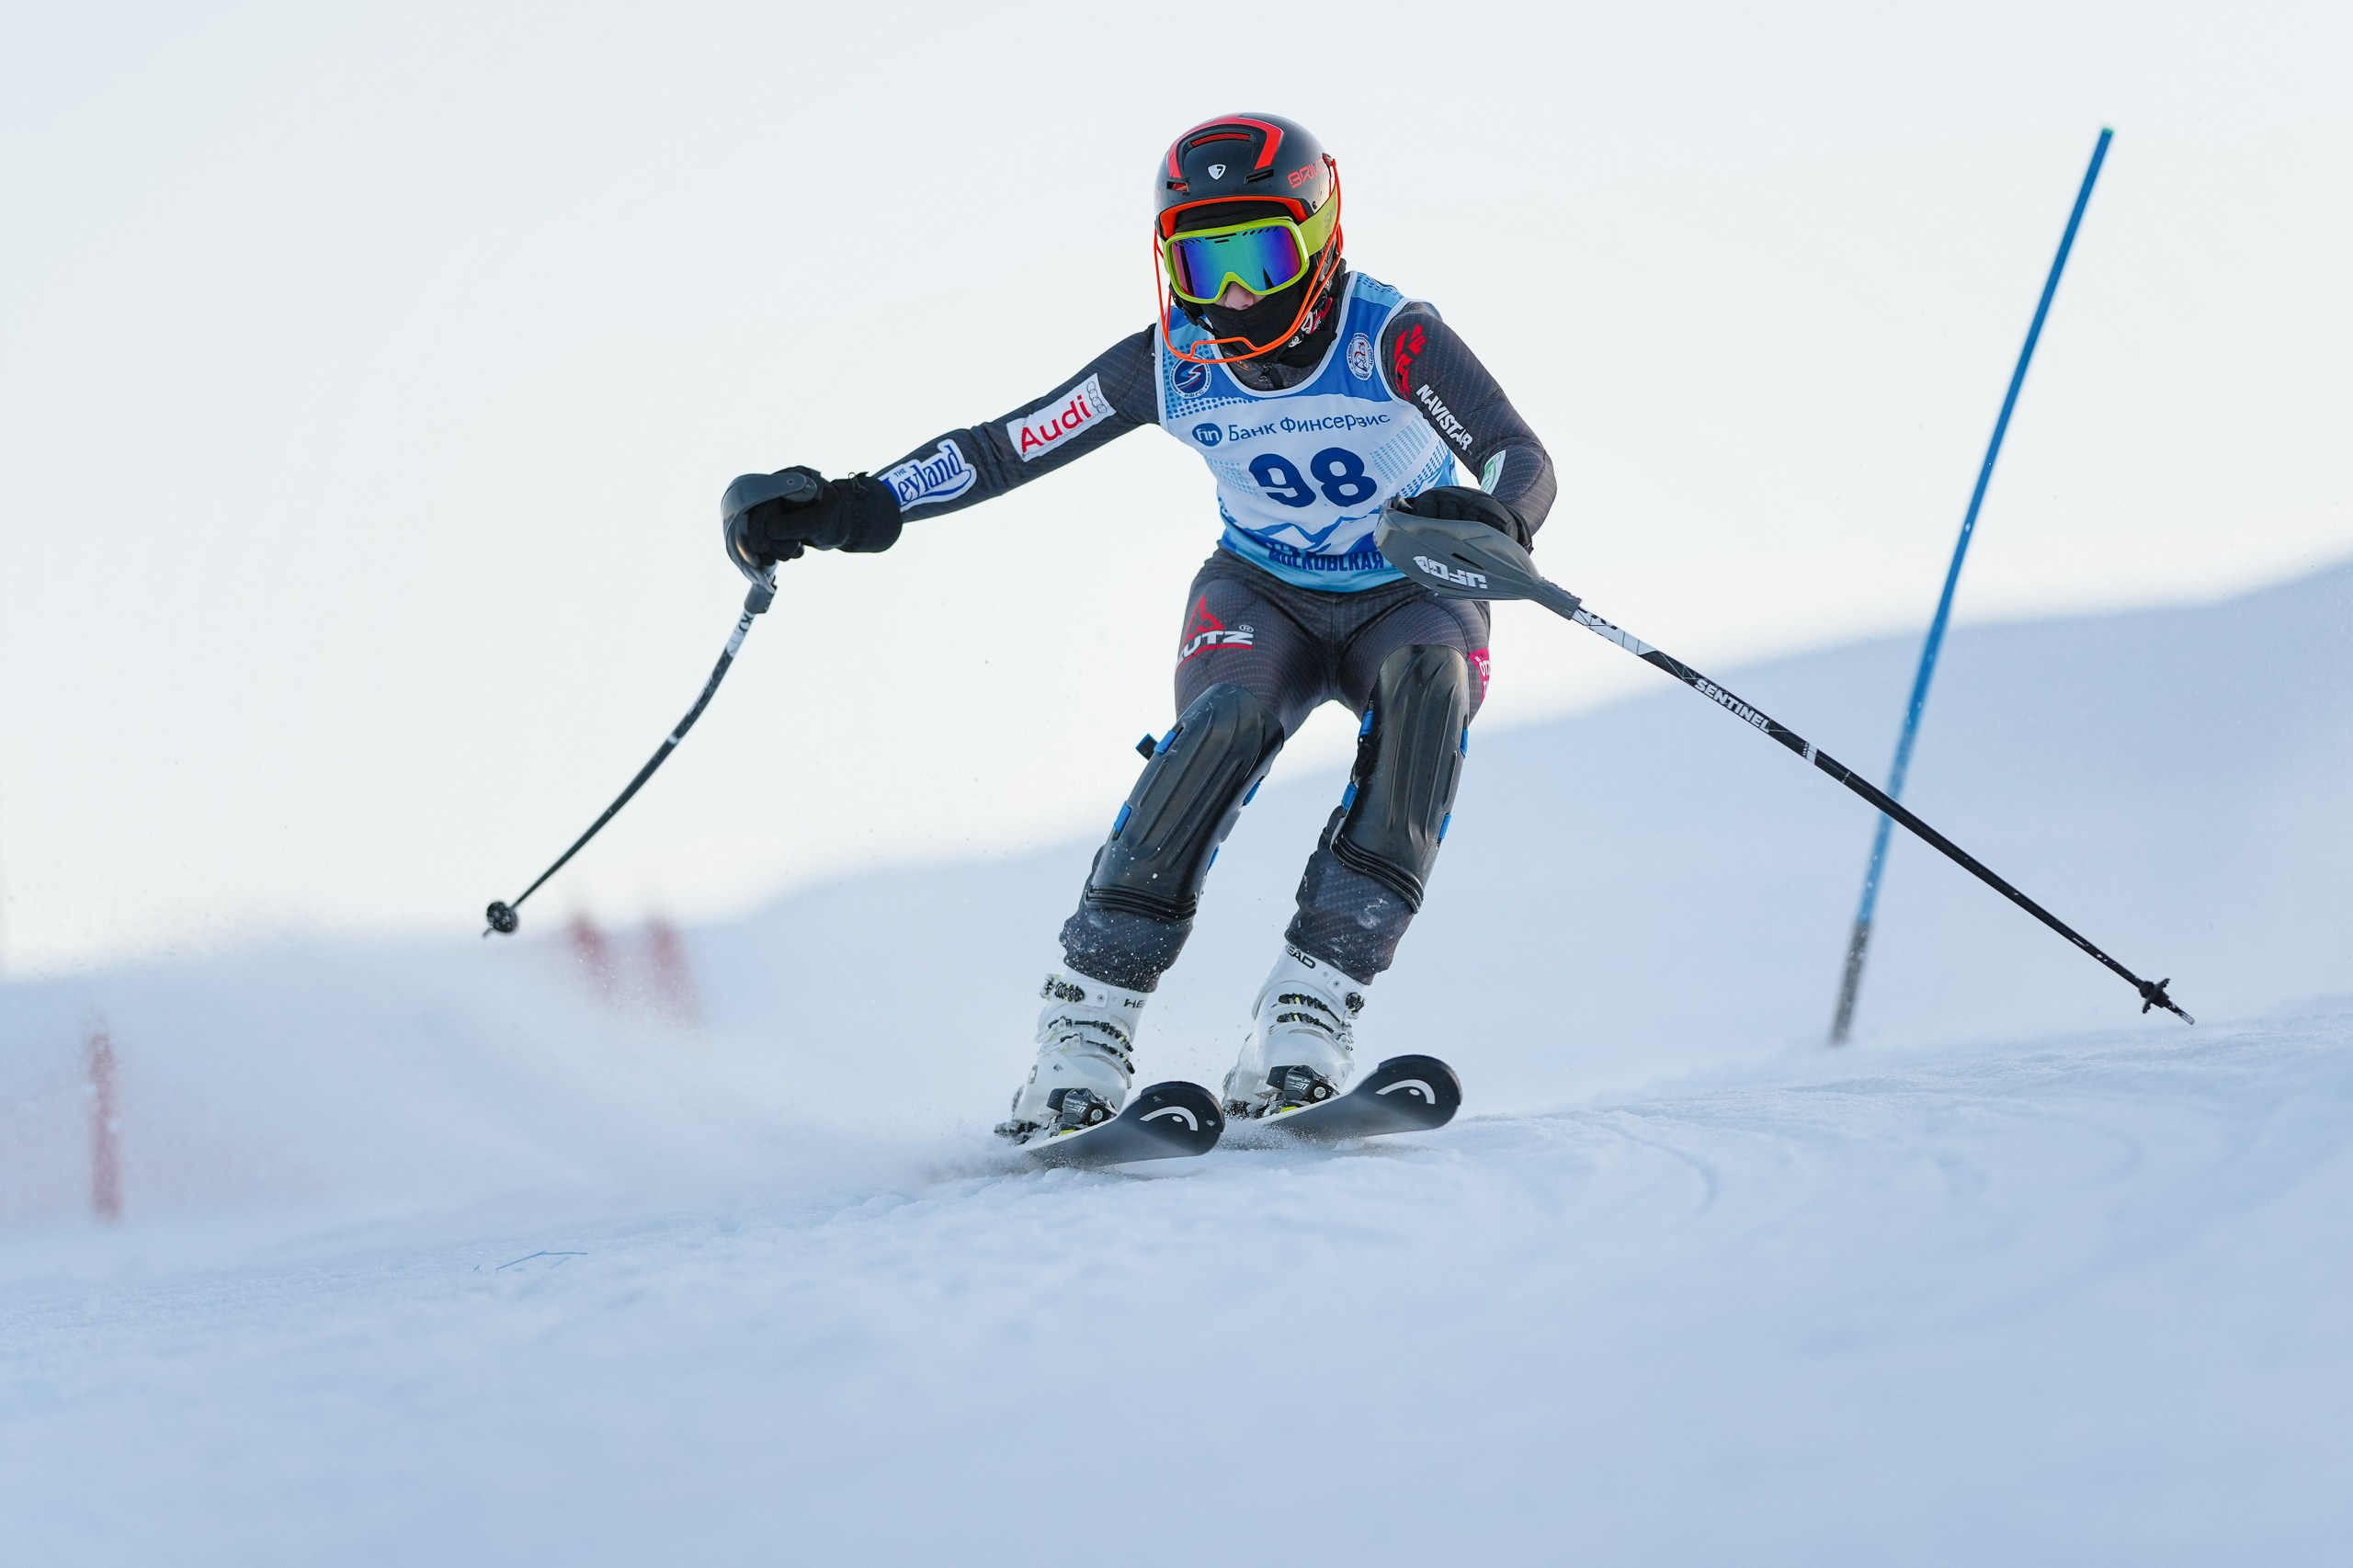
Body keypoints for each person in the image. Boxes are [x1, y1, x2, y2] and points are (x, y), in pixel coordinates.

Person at [722, 112, 1555, 1140]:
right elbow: (1004, 446)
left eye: (1258, 253)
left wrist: (1500, 515)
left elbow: (1517, 454)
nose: (1235, 294)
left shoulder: (1394, 335)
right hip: (1263, 591)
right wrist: (847, 506)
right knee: (1221, 730)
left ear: (1320, 237)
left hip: (1407, 588)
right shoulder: (1168, 361)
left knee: (1428, 694)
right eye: (1205, 263)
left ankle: (1307, 1013)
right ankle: (1081, 1034)